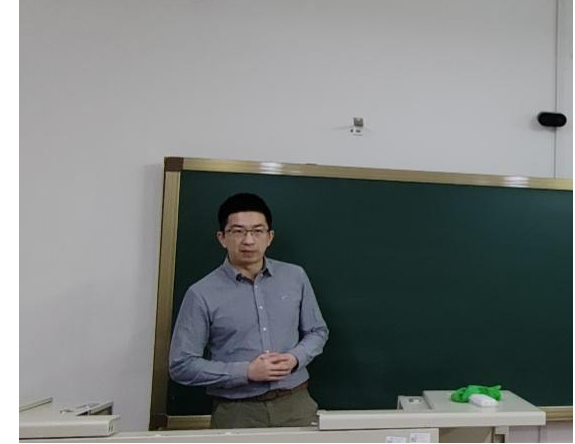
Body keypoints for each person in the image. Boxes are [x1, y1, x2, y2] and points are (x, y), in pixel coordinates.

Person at [169, 192, 329, 429]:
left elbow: (317, 331)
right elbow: (181, 365)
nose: (248, 240)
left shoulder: (295, 277)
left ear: (269, 237)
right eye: (238, 231)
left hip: (296, 404)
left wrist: (295, 358)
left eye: (257, 231)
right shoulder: (201, 293)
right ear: (222, 238)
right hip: (237, 412)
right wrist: (246, 372)